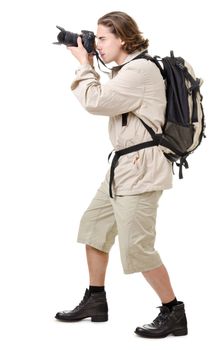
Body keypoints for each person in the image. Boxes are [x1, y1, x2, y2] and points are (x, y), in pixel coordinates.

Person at [55, 11, 188, 338]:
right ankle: (96, 301)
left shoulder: (139, 71)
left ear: (124, 40)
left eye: (103, 38)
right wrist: (90, 59)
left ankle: (174, 311)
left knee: (137, 249)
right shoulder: (128, 69)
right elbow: (111, 101)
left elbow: (96, 101)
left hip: (140, 171)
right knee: (94, 228)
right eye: (96, 38)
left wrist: (84, 64)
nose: (97, 44)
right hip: (122, 168)